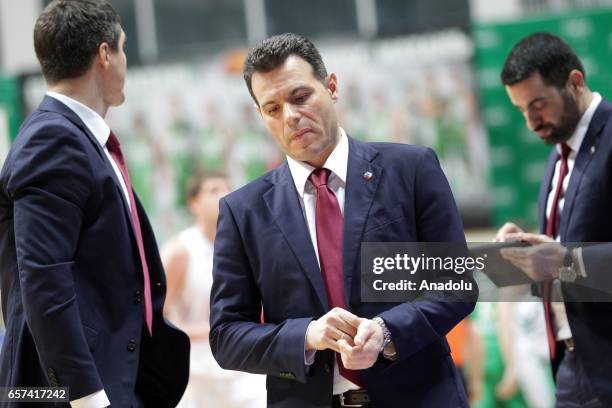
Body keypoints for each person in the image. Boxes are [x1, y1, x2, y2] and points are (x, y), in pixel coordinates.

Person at [209, 33, 476, 408]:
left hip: (419, 396)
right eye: (273, 108)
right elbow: (226, 336)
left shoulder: (411, 170)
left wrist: (386, 331)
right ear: (261, 116)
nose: (290, 116)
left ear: (331, 86)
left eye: (300, 97)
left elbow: (456, 285)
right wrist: (307, 336)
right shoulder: (243, 211)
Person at [0, 1, 189, 407]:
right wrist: (85, 397)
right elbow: (44, 284)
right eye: (122, 48)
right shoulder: (53, 139)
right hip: (75, 390)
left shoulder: (78, 139)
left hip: (112, 378)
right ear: (105, 55)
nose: (125, 60)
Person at [495, 32, 612, 407]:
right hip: (569, 362)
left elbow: (569, 258)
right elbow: (571, 243)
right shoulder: (560, 150)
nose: (531, 122)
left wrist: (564, 261)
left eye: (538, 104)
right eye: (521, 110)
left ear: (574, 82)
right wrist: (529, 245)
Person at [162, 170, 266, 407]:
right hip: (195, 377)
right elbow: (156, 322)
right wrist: (214, 330)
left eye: (227, 188)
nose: (224, 195)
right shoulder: (179, 251)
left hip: (243, 372)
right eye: (213, 190)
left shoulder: (247, 246)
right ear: (194, 203)